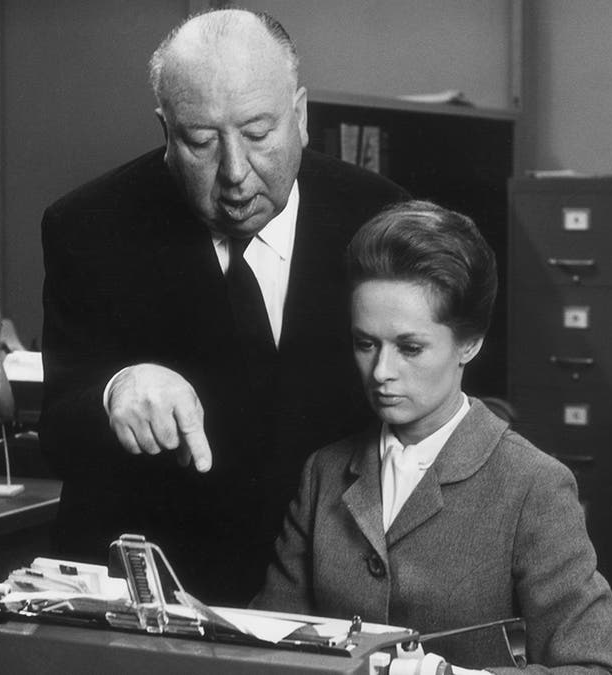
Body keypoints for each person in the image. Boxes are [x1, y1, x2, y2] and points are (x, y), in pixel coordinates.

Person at [39, 8, 408, 605]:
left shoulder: (379, 216)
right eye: (202, 142)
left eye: (259, 134)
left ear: (301, 115)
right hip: (161, 596)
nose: (235, 174)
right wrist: (116, 389)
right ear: (166, 132)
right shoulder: (89, 226)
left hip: (329, 586)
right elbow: (56, 429)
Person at [252, 201, 612, 674]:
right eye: (365, 343)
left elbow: (598, 669)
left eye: (410, 347)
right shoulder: (324, 473)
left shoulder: (533, 486)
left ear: (469, 342)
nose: (381, 372)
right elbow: (265, 645)